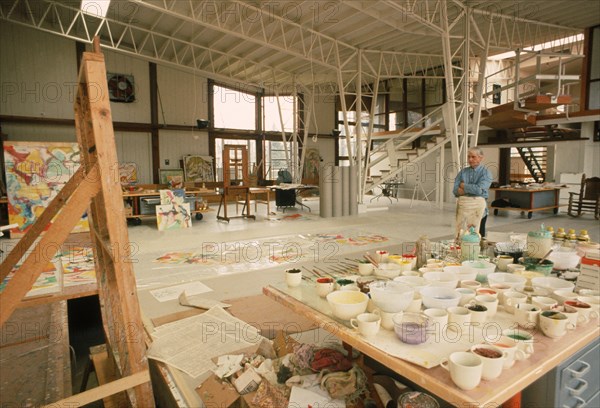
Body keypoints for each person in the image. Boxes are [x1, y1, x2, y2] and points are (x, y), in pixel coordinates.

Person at [453, 146, 493, 240]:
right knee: (461, 235)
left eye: (473, 157)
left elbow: (479, 190)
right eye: (469, 157)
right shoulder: (462, 172)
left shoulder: (486, 173)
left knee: (476, 237)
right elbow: (455, 191)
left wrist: (463, 186)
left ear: (480, 157)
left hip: (478, 209)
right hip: (463, 208)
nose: (470, 159)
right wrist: (472, 189)